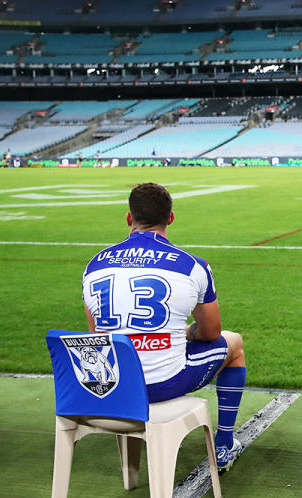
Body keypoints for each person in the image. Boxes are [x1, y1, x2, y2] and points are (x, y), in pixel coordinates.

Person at [81, 183, 247, 470]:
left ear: (129, 218)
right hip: (161, 384)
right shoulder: (192, 266)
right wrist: (184, 333)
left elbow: (97, 336)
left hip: (109, 385)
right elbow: (210, 333)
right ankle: (224, 443)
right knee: (235, 344)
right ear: (170, 218)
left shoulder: (94, 265)